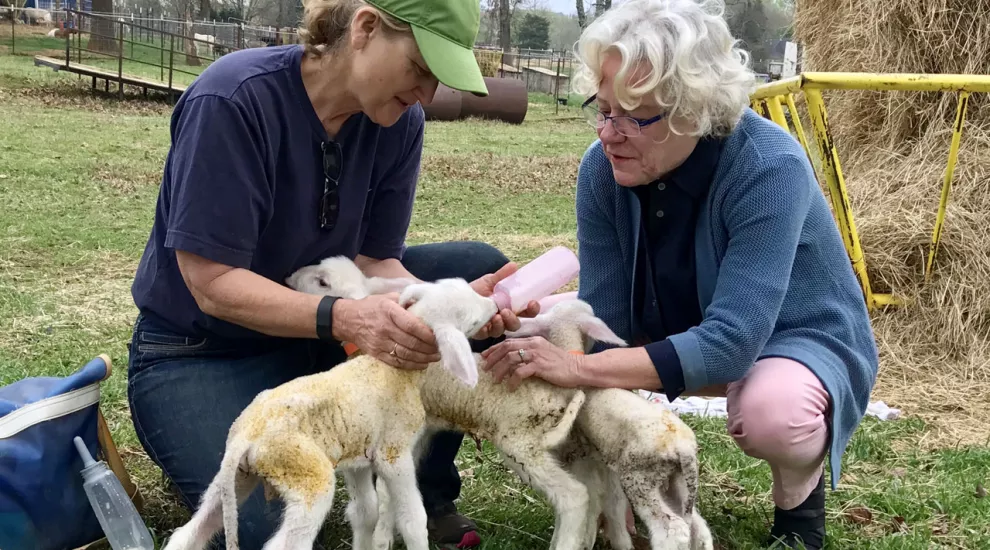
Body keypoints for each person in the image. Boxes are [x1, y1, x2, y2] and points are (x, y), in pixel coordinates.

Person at [125, 0, 539, 548]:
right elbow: (213, 283)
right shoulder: (234, 99)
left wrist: (448, 303)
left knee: (469, 271)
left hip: (320, 333)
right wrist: (350, 318)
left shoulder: (398, 122)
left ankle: (425, 494)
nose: (427, 95)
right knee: (268, 527)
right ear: (365, 28)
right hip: (202, 351)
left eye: (437, 80)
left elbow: (373, 262)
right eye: (420, 69)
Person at [480, 0, 880, 548]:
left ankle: (798, 511)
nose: (608, 134)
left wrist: (576, 369)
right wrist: (558, 351)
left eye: (633, 116)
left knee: (773, 414)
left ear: (694, 110)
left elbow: (731, 345)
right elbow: (607, 320)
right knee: (551, 330)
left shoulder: (770, 166)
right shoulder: (601, 170)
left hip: (787, 337)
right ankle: (618, 498)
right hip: (671, 319)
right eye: (602, 108)